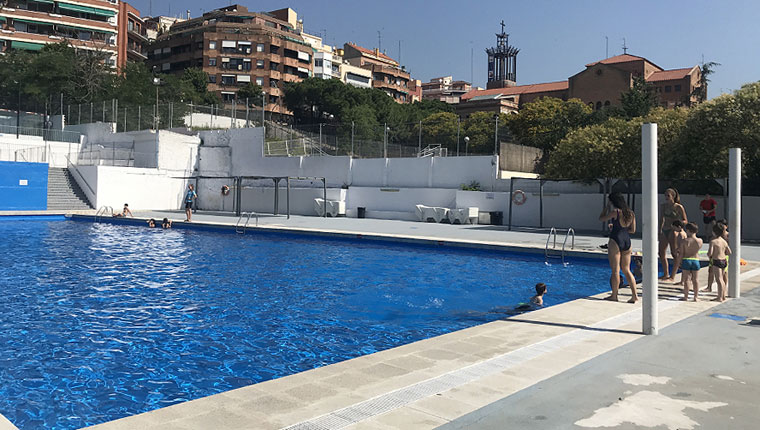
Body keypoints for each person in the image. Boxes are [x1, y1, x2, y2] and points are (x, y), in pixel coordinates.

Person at [599, 193, 638, 303]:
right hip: (627, 240)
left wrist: (606, 208)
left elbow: (601, 218)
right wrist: (620, 229)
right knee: (626, 269)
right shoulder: (631, 213)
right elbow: (633, 230)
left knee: (615, 270)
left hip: (615, 240)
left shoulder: (615, 212)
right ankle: (634, 295)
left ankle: (614, 295)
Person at [658, 188, 688, 280]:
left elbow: (685, 220)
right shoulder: (663, 206)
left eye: (668, 195)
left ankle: (673, 275)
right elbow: (661, 219)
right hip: (665, 229)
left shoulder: (678, 207)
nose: (666, 197)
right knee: (661, 253)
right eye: (665, 195)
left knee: (674, 253)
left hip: (673, 230)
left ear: (673, 196)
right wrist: (659, 230)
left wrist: (679, 225)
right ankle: (666, 273)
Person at [678, 222, 703, 301]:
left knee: (687, 279)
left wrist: (679, 262)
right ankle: (696, 297)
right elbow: (698, 249)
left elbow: (681, 253)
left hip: (686, 259)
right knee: (696, 279)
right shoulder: (699, 241)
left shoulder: (685, 241)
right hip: (695, 260)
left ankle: (686, 296)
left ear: (688, 230)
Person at [708, 223, 731, 302]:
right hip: (724, 260)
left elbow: (710, 253)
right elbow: (729, 252)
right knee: (722, 279)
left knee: (719, 279)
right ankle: (723, 296)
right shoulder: (724, 241)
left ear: (714, 232)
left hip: (716, 261)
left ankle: (720, 297)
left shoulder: (713, 242)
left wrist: (710, 255)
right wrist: (722, 253)